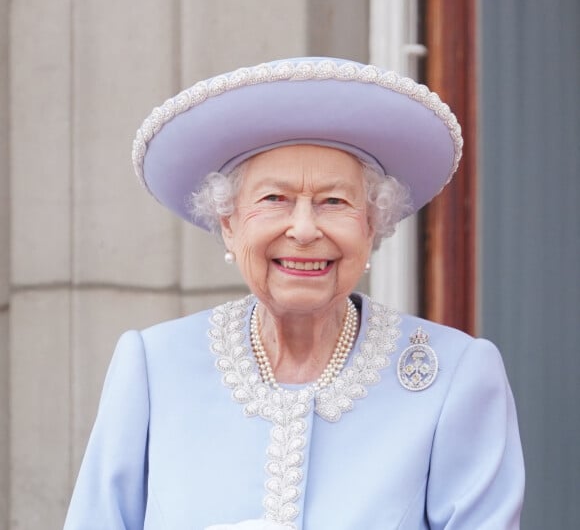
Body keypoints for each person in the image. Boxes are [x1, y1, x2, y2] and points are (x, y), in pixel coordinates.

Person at [63, 57, 525, 529]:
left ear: (371, 226)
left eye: (334, 202)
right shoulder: (153, 367)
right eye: (274, 199)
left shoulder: (455, 377)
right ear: (229, 224)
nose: (304, 229)